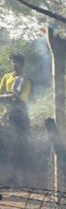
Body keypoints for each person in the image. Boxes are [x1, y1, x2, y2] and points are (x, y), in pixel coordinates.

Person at [0, 53, 33, 185]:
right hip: (7, 117)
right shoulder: (6, 77)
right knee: (8, 148)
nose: (14, 64)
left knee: (20, 148)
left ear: (22, 64)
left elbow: (22, 99)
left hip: (20, 118)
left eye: (17, 62)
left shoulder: (25, 80)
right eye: (13, 62)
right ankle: (10, 178)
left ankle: (21, 179)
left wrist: (8, 97)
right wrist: (8, 97)